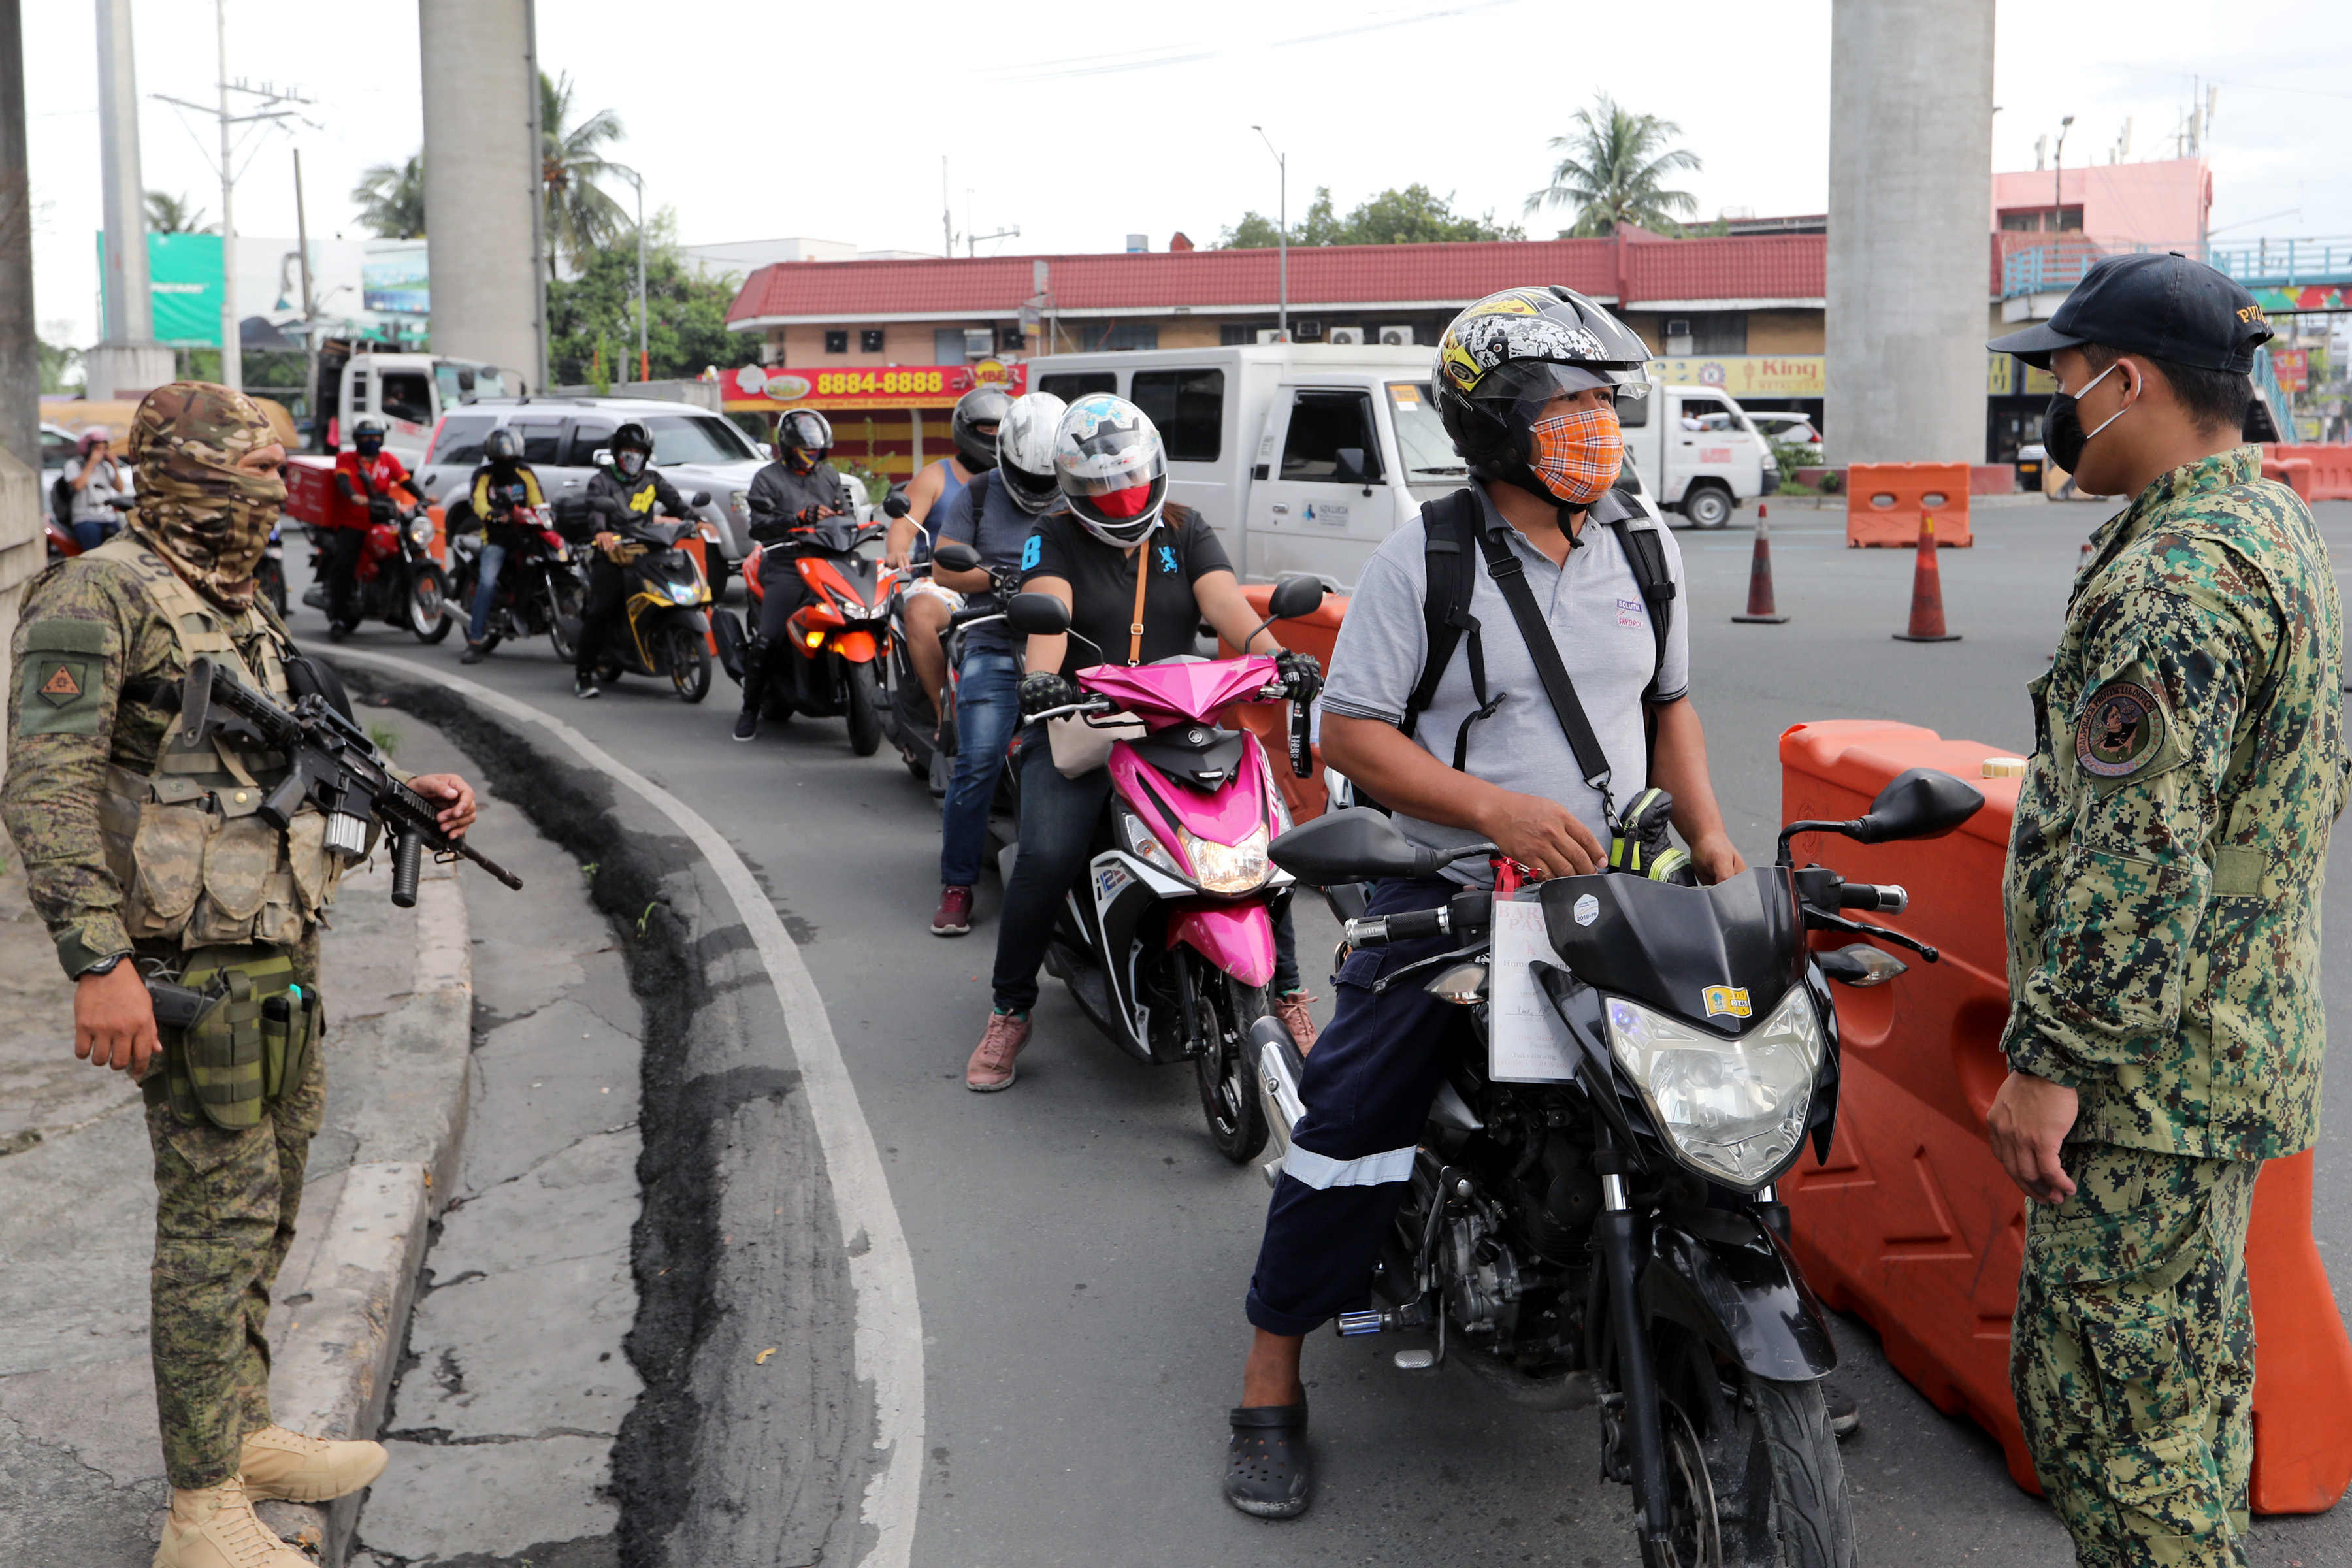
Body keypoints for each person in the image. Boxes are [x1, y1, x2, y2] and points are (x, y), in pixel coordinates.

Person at [1220, 287, 1747, 1520]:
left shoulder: (1643, 543)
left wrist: (1713, 835)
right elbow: (1352, 732)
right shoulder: (1429, 553)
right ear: (1499, 421)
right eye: (1569, 405)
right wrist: (1493, 814)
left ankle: (1734, 1322)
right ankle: (1269, 1381)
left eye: (1605, 404)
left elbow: (1668, 705)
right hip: (1450, 897)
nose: (1596, 427)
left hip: (1615, 893)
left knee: (1716, 1086)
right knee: (1353, 1119)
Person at [1, 382, 479, 1568]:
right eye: (253, 477)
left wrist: (403, 798)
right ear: (188, 478)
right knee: (211, 1228)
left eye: (274, 477)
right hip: (184, 967)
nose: (273, 495)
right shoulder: (97, 594)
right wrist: (97, 962)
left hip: (279, 953)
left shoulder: (238, 597)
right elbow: (45, 788)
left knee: (264, 1214)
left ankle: (242, 1434)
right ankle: (202, 1508)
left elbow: (276, 754)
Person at [1984, 253, 2345, 1567]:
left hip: (2146, 1089)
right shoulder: (2268, 531)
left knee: (2123, 1441)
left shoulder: (2176, 585)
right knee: (2187, 1408)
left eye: (2065, 379)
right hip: (2221, 1056)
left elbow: (2137, 857)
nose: (2056, 406)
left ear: (2126, 381)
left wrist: (2052, 1064)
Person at [964, 394, 1322, 1091]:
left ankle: (1287, 994)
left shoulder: (1186, 531)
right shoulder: (1054, 535)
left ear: (1154, 470)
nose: (1120, 499)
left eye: (1128, 480)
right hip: (1083, 722)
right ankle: (1011, 1007)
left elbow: (1228, 609)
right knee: (1047, 853)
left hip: (1179, 722)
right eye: (1100, 487)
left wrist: (1281, 659)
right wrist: (1042, 681)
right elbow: (1049, 617)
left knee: (1260, 845)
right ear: (1071, 486)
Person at [926, 390, 1065, 936]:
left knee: (1084, 758)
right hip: (991, 639)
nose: (1036, 492)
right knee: (980, 758)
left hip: (1062, 640)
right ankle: (957, 884)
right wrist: (996, 579)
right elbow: (943, 569)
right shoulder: (979, 492)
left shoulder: (1077, 496)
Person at [887, 385, 1011, 728]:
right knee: (920, 613)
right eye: (987, 430)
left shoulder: (1022, 479)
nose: (995, 437)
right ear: (966, 430)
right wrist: (897, 551)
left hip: (1011, 582)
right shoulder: (936, 476)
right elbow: (902, 526)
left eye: (1002, 430)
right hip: (946, 581)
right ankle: (945, 713)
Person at [734, 408, 852, 738]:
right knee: (769, 637)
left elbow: (846, 515)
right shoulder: (767, 479)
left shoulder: (828, 476)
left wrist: (844, 519)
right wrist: (798, 517)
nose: (812, 457)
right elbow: (759, 526)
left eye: (817, 451)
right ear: (788, 447)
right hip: (786, 563)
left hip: (830, 561)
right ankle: (749, 709)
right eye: (806, 451)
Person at [573, 421, 689, 698]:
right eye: (627, 450)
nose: (632, 455)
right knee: (600, 611)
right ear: (616, 452)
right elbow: (595, 510)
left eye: (638, 451)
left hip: (648, 552)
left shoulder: (653, 480)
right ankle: (584, 675)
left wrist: (698, 521)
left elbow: (677, 503)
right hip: (615, 555)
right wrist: (602, 532)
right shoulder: (602, 481)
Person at [461, 425, 549, 664]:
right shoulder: (483, 475)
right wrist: (494, 515)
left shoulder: (526, 473)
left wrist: (540, 516)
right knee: (487, 583)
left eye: (510, 455)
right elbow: (478, 504)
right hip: (496, 540)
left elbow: (538, 502)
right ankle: (475, 640)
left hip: (527, 537)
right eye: (502, 456)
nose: (507, 460)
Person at [324, 417, 412, 640]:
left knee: (403, 558)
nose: (372, 441)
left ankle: (400, 610)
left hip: (380, 522)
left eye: (375, 437)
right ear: (357, 439)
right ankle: (338, 618)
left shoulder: (387, 460)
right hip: (351, 522)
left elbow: (406, 482)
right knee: (344, 565)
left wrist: (423, 498)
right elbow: (343, 482)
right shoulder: (346, 459)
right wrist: (353, 496)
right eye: (367, 437)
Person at [64, 427, 127, 551]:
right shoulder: (74, 465)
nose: (101, 452)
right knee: (93, 549)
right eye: (97, 449)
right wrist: (91, 464)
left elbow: (120, 488)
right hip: (85, 516)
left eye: (104, 449)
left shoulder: (105, 467)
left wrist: (114, 465)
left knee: (120, 545)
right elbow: (78, 486)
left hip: (107, 515)